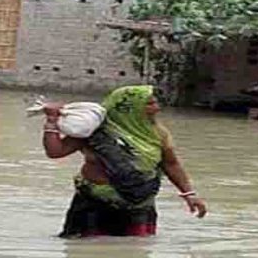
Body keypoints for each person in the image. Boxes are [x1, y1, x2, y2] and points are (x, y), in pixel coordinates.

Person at [42, 85, 207, 238]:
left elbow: (170, 164)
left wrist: (189, 195)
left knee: (134, 249)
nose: (157, 108)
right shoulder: (94, 131)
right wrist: (51, 122)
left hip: (139, 204)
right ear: (127, 109)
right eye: (149, 104)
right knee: (86, 250)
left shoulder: (158, 133)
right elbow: (56, 152)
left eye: (155, 103)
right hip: (94, 204)